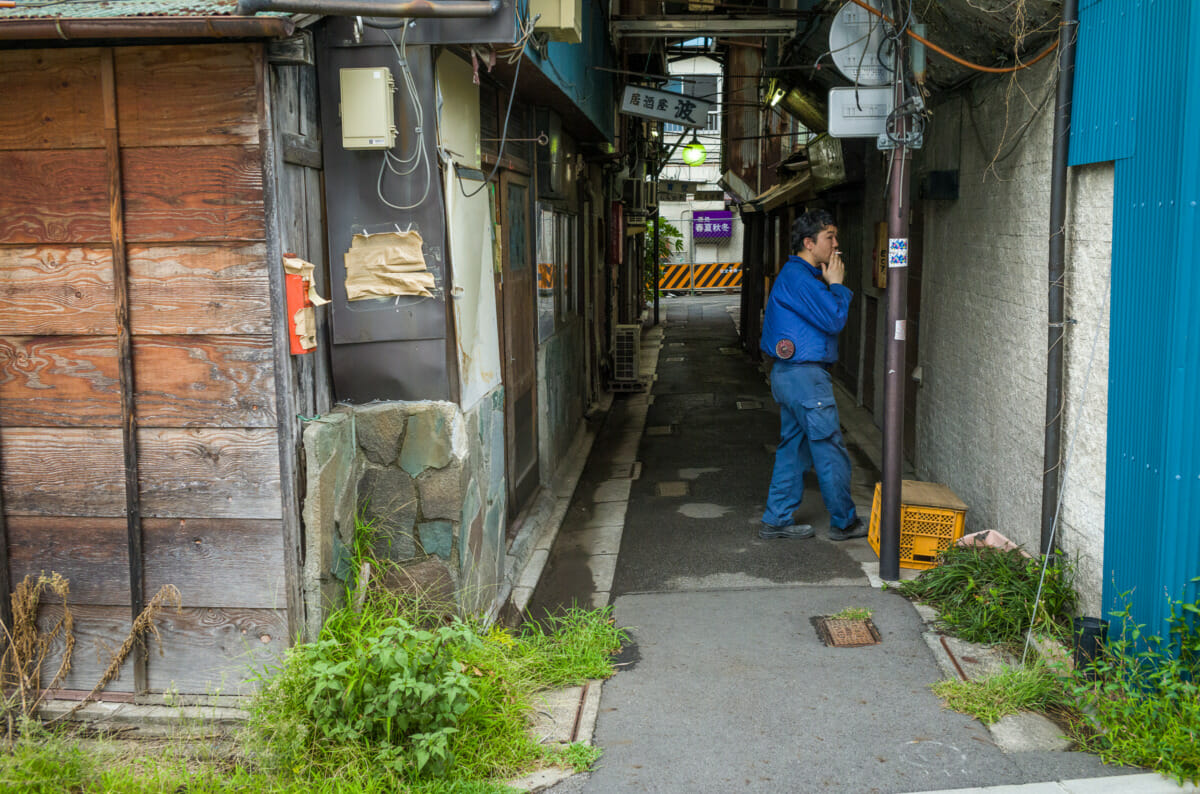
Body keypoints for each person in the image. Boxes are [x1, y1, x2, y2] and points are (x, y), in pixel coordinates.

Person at [759, 209, 866, 542]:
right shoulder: (802, 278)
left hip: (791, 376)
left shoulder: (797, 276)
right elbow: (834, 318)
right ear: (809, 242)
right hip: (806, 378)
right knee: (829, 447)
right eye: (829, 237)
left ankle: (777, 519)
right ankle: (844, 522)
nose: (836, 244)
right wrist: (836, 285)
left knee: (795, 447)